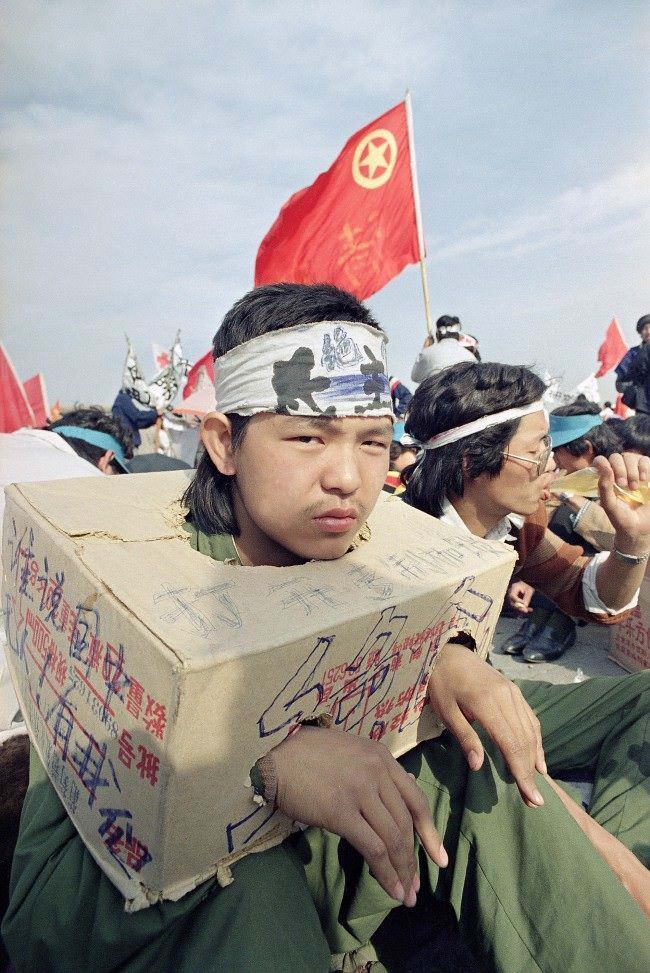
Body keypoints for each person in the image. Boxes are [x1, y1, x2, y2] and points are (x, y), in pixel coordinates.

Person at [4, 308, 649, 973]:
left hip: (351, 863)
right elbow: (42, 919)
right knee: (249, 883)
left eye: (372, 441)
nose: (347, 475)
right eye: (309, 438)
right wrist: (263, 767)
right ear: (226, 443)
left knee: (467, 750)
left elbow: (573, 592)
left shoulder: (375, 551)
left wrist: (443, 654)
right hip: (205, 910)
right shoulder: (124, 600)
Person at [500, 400, 623, 661]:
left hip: (608, 567)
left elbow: (616, 535)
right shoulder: (568, 474)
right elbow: (543, 521)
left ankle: (560, 624)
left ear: (586, 450)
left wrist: (575, 502)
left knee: (571, 517)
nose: (552, 459)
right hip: (569, 566)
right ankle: (541, 618)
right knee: (560, 517)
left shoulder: (623, 474)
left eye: (557, 451)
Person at [410, 315, 476, 384]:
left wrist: (425, 351)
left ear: (437, 334)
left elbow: (415, 377)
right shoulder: (471, 357)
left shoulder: (427, 353)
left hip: (436, 394)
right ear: (458, 335)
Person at [614, 313, 650, 413]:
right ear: (640, 333)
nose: (649, 332)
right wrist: (634, 391)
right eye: (645, 328)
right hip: (643, 407)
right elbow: (620, 384)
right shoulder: (633, 353)